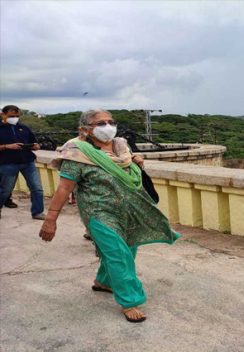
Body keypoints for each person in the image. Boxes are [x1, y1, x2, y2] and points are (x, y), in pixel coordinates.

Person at [39, 109, 179, 323]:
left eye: (110, 121)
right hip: (99, 212)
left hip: (129, 210)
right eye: (100, 123)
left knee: (129, 248)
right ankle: (130, 300)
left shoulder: (121, 147)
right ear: (85, 130)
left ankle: (103, 281)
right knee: (118, 253)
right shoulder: (78, 153)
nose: (108, 126)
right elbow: (64, 189)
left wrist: (136, 161)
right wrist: (50, 219)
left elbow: (128, 173)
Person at [0, 105, 45, 220]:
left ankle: (37, 212)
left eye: (17, 116)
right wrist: (7, 146)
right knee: (5, 190)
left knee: (37, 188)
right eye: (11, 116)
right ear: (3, 114)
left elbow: (33, 142)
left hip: (28, 161)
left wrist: (35, 146)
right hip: (7, 163)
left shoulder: (24, 128)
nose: (14, 118)